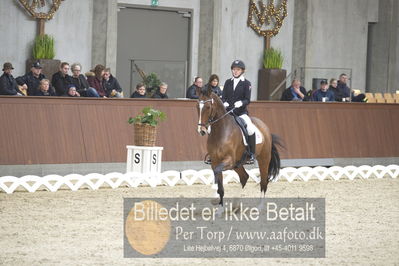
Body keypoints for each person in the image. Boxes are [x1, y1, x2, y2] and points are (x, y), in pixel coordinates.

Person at [222, 59, 256, 164]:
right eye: (234, 69)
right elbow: (223, 97)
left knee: (250, 129)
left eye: (238, 70)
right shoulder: (228, 82)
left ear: (242, 71)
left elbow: (247, 99)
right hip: (228, 113)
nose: (235, 71)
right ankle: (213, 153)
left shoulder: (246, 83)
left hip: (241, 113)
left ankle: (251, 154)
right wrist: (224, 103)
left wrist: (241, 103)